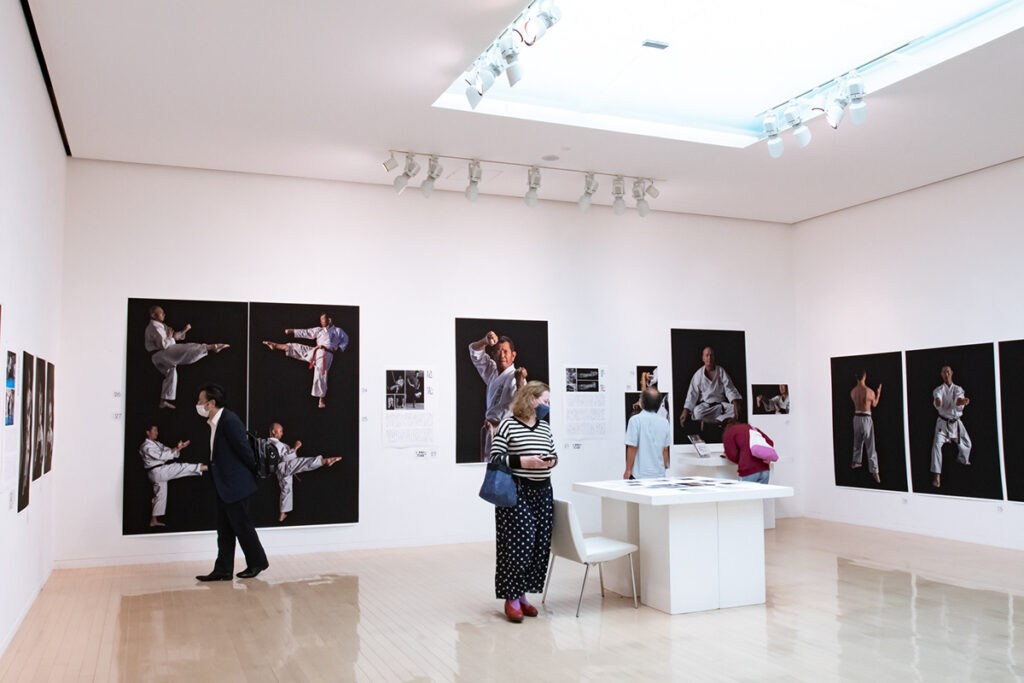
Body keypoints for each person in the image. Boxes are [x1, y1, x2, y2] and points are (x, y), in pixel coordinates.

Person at [488, 381, 557, 623]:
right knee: (520, 544)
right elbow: (495, 458)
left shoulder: (544, 427)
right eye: (545, 401)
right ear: (530, 399)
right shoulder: (508, 425)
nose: (547, 406)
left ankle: (522, 595)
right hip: (517, 492)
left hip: (543, 492)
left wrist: (550, 461)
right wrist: (523, 462)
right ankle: (511, 597)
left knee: (538, 546)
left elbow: (554, 454)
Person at [194, 384, 269, 581]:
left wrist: (250, 476)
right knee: (225, 529)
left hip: (236, 485)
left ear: (211, 403)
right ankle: (223, 570)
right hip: (224, 485)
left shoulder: (229, 420)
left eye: (200, 401)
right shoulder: (216, 422)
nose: (198, 405)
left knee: (242, 526)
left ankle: (257, 562)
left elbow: (245, 451)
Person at [144, 305, 229, 410]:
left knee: (171, 373)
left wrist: (184, 330)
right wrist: (170, 337)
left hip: (160, 356)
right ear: (153, 315)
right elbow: (164, 344)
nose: (164, 314)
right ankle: (210, 347)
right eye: (161, 313)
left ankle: (163, 401)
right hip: (160, 354)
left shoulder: (161, 326)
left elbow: (174, 337)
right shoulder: (154, 327)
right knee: (185, 349)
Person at [263, 313, 349, 408]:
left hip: (326, 354)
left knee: (320, 373)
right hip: (316, 351)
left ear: (329, 320)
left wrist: (339, 348)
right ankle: (275, 345)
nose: (321, 321)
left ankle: (321, 398)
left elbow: (345, 339)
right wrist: (292, 331)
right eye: (320, 320)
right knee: (297, 347)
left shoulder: (338, 331)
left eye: (323, 319)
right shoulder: (319, 330)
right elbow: (306, 332)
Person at [469, 331, 528, 462]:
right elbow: (475, 352)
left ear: (513, 355)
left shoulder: (517, 376)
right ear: (493, 355)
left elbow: (523, 410)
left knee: (504, 469)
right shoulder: (492, 371)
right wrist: (485, 341)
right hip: (490, 430)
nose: (502, 355)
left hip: (508, 433)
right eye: (498, 351)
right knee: (488, 468)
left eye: (505, 352)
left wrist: (520, 382)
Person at [267, 422, 341, 522]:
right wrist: (296, 447)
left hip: (279, 470)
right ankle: (325, 461)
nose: (282, 433)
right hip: (283, 466)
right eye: (280, 431)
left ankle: (282, 514)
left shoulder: (269, 443)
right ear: (273, 431)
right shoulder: (276, 444)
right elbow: (286, 457)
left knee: (286, 489)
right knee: (303, 463)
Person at [138, 425, 207, 527]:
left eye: (157, 430)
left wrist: (179, 448)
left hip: (157, 472)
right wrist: (176, 449)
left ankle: (153, 521)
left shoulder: (157, 443)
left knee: (160, 496)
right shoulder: (146, 446)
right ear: (148, 432)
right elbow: (162, 456)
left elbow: (169, 451)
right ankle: (205, 467)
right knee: (181, 467)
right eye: (154, 430)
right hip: (157, 471)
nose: (157, 433)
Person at [679, 346, 743, 427]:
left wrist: (735, 402)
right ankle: (721, 421)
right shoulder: (698, 374)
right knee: (697, 412)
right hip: (706, 407)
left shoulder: (721, 371)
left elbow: (729, 388)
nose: (709, 358)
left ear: (714, 357)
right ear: (703, 358)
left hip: (720, 406)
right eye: (707, 355)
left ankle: (709, 422)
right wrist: (685, 410)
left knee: (735, 410)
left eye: (711, 355)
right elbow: (692, 394)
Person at [931, 365, 971, 489]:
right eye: (944, 372)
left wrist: (962, 401)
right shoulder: (938, 390)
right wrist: (938, 402)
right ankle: (937, 476)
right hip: (942, 424)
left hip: (956, 423)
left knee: (967, 444)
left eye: (948, 371)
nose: (946, 374)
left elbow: (958, 400)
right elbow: (938, 400)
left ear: (952, 373)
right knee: (936, 447)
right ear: (941, 375)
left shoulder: (958, 389)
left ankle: (961, 460)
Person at [624, 387, 672, 479]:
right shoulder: (664, 422)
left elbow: (632, 447)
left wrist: (628, 469)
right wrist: (663, 468)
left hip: (639, 475)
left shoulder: (635, 420)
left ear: (642, 402)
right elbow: (665, 449)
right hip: (659, 475)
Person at [850, 371, 882, 483]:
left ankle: (856, 462)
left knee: (857, 443)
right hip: (866, 419)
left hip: (856, 418)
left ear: (856, 377)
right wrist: (878, 393)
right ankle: (875, 471)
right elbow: (874, 404)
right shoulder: (870, 392)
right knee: (870, 446)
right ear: (865, 376)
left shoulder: (853, 391)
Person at [722, 419, 777, 483]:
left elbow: (732, 455)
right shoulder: (752, 428)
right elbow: (770, 442)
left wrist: (741, 458)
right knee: (762, 490)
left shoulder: (729, 431)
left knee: (745, 490)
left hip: (748, 469)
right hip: (764, 469)